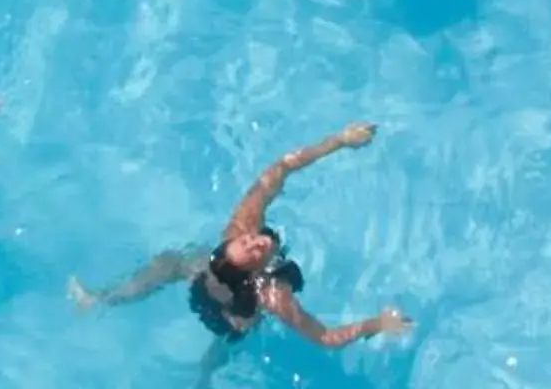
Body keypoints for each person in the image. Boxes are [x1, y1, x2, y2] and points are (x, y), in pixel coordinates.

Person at [71, 122, 412, 348]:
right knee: (236, 331)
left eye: (247, 242)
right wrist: (377, 324)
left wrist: (339, 141)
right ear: (255, 270)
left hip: (212, 275)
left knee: (173, 261)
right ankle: (105, 302)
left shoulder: (242, 225)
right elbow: (325, 338)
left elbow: (281, 168)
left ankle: (99, 299)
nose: (258, 242)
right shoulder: (273, 294)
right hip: (230, 309)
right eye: (254, 252)